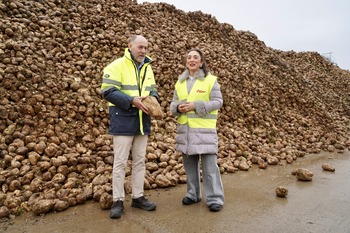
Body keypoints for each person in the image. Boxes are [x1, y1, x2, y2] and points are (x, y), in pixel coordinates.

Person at [100, 35, 158, 219]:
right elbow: (107, 91)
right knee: (120, 162)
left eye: (146, 47)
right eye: (140, 47)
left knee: (140, 160)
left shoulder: (148, 68)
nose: (143, 51)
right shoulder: (116, 66)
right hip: (123, 118)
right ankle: (118, 200)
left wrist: (155, 99)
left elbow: (153, 88)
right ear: (130, 46)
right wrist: (131, 100)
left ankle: (138, 197)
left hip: (142, 120)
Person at [170, 48, 224, 212]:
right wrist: (179, 107)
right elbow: (172, 105)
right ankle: (193, 194)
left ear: (201, 62)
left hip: (204, 132)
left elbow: (218, 102)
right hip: (185, 131)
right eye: (189, 57)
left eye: (195, 57)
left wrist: (196, 105)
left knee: (209, 168)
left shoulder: (210, 80)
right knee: (190, 167)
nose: (192, 60)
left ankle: (215, 198)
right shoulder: (179, 83)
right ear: (186, 62)